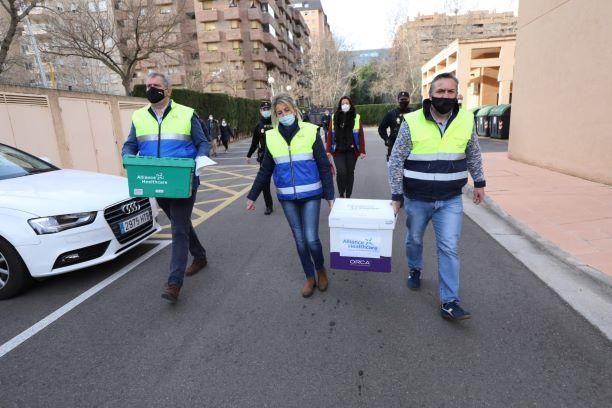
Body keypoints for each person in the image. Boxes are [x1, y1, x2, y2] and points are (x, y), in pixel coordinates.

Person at [388, 72, 486, 321]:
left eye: (450, 92)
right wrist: (396, 195)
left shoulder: (466, 120)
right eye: (440, 91)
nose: (445, 96)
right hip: (417, 198)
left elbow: (473, 153)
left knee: (449, 248)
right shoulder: (411, 121)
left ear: (457, 95)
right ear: (430, 95)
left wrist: (479, 182)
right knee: (414, 240)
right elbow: (396, 160)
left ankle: (450, 301)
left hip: (450, 199)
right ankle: (415, 269)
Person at [122, 72, 209, 303]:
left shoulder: (186, 113)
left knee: (178, 229)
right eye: (148, 85)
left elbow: (202, 143)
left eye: (156, 85)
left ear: (168, 90)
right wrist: (127, 158)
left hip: (183, 181)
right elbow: (130, 145)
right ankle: (199, 255)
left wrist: (200, 162)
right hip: (156, 181)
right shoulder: (139, 117)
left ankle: (174, 283)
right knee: (180, 223)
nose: (151, 89)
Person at [246, 93, 334, 298]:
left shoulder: (311, 132)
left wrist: (330, 197)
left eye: (287, 110)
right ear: (276, 116)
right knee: (300, 241)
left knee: (311, 239)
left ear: (294, 110)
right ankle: (309, 276)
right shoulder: (271, 137)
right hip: (287, 197)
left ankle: (320, 269)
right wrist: (252, 196)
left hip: (311, 193)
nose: (284, 115)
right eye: (279, 112)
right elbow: (265, 170)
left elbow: (323, 165)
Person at [325, 96, 366, 198]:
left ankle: (348, 194)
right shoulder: (334, 117)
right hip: (338, 150)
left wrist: (362, 150)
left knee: (350, 172)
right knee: (341, 171)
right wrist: (328, 150)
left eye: (347, 103)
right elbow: (330, 134)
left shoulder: (356, 117)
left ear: (350, 104)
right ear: (340, 105)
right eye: (343, 103)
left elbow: (360, 134)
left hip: (352, 150)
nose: (345, 105)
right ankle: (341, 192)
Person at [246, 100, 274, 215]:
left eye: (268, 109)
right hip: (264, 157)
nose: (266, 111)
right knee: (264, 182)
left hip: (278, 155)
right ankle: (269, 205)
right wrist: (249, 155)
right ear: (260, 111)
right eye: (264, 109)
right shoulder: (258, 125)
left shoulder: (276, 123)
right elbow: (254, 142)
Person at [378, 91, 411, 161]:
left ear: (409, 100)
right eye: (402, 100)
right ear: (398, 100)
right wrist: (386, 139)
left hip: (411, 148)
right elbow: (381, 128)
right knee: (394, 170)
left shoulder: (414, 113)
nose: (403, 101)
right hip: (394, 147)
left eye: (405, 99)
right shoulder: (391, 114)